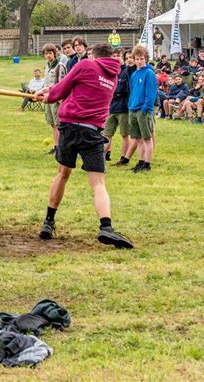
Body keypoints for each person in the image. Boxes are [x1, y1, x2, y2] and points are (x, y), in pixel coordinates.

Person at [34, 43, 133, 249]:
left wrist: (49, 96)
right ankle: (106, 227)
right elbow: (79, 89)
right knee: (98, 183)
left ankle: (48, 222)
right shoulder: (113, 76)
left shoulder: (86, 65)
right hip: (93, 131)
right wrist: (49, 90)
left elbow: (64, 88)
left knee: (63, 173)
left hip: (70, 126)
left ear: (94, 56)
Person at [127, 45, 158, 173]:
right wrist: (130, 105)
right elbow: (132, 91)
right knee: (138, 139)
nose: (139, 61)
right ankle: (140, 161)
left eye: (141, 58)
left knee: (146, 138)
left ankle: (147, 163)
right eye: (137, 59)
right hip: (133, 109)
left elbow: (151, 93)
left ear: (146, 58)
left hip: (143, 110)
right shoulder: (134, 74)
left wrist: (146, 108)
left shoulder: (149, 73)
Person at [103, 50, 131, 163]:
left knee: (125, 134)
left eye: (118, 56)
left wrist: (115, 91)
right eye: (113, 56)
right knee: (107, 134)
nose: (116, 58)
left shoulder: (127, 71)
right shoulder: (109, 71)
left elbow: (124, 89)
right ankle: (103, 156)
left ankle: (124, 158)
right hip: (111, 107)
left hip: (123, 108)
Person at [42, 44, 67, 155]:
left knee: (58, 124)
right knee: (52, 123)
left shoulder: (60, 66)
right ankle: (56, 145)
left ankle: (61, 147)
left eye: (50, 53)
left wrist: (57, 97)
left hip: (56, 100)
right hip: (47, 99)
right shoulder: (47, 66)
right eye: (46, 53)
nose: (48, 55)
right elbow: (46, 83)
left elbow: (62, 84)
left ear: (55, 53)